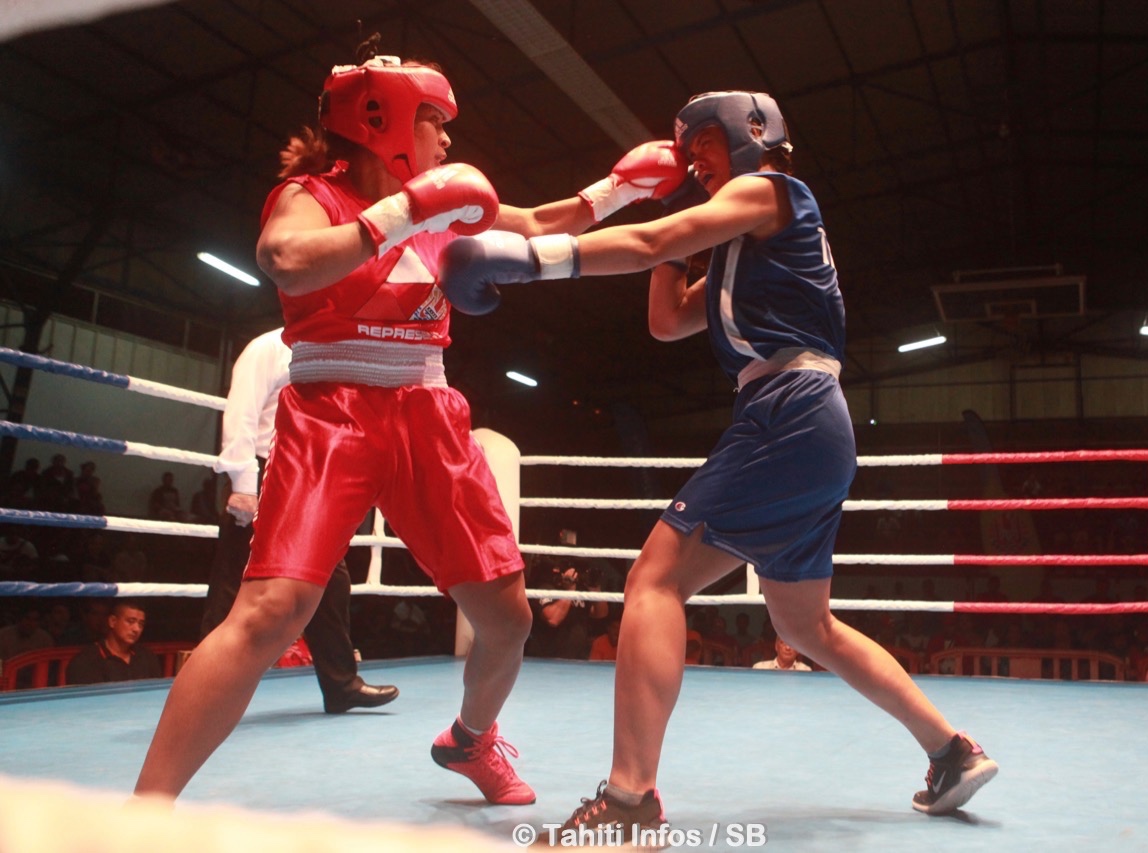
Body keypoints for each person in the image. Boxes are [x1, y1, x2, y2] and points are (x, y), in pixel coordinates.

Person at [130, 40, 687, 808]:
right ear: (382, 120)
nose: (448, 139)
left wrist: (621, 188)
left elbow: (535, 222)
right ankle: (143, 811)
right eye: (434, 120)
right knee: (268, 612)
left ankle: (469, 740)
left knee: (508, 619)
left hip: (427, 414)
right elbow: (285, 259)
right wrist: (401, 212)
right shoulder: (312, 195)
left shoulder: (446, 202)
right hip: (332, 413)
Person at [439, 90, 998, 832]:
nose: (692, 158)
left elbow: (645, 244)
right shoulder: (746, 247)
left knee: (654, 579)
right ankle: (951, 750)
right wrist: (670, 221)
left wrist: (531, 260)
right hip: (808, 422)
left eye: (702, 141)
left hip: (788, 409)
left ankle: (629, 802)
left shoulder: (769, 190)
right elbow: (665, 318)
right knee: (805, 624)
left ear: (752, 133)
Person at [202, 326, 399, 715]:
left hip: (311, 476)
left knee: (332, 580)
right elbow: (241, 413)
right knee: (233, 582)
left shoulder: (334, 350)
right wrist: (243, 483)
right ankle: (209, 691)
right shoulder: (267, 348)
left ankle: (341, 684)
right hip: (266, 469)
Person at [65, 600, 162, 685]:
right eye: (130, 621)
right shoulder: (85, 661)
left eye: (141, 624)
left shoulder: (147, 656)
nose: (136, 629)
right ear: (112, 621)